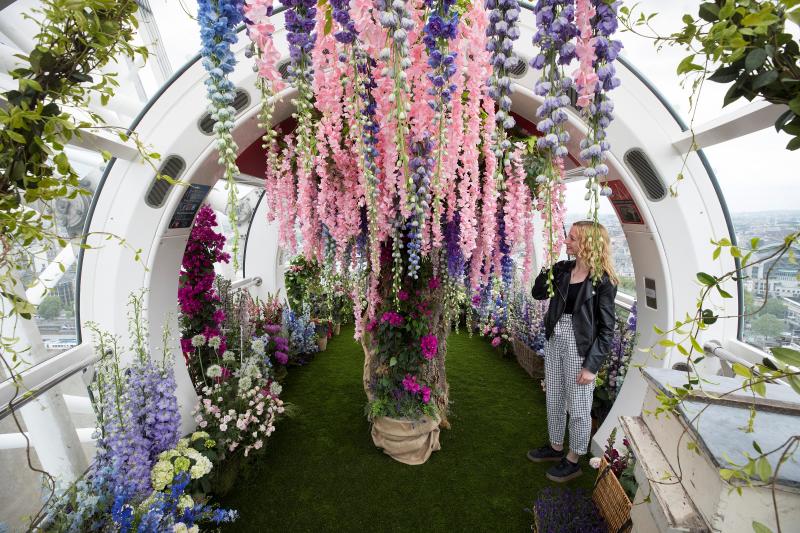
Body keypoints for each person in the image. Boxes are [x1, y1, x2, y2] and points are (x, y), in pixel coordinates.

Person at [527, 220, 618, 482]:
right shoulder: (563, 269)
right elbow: (538, 294)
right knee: (554, 397)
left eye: (573, 239)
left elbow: (607, 329)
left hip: (581, 346)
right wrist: (547, 270)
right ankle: (556, 447)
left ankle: (574, 459)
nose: (567, 241)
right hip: (556, 338)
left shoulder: (603, 281)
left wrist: (592, 366)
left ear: (588, 244)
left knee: (578, 406)